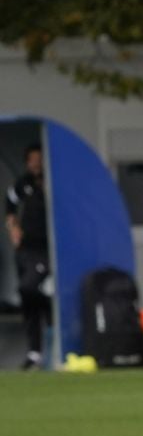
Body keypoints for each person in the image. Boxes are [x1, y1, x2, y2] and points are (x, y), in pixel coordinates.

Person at [5, 144, 50, 370]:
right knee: (26, 296)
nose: (36, 163)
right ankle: (34, 350)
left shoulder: (52, 181)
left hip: (45, 249)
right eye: (32, 159)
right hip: (25, 249)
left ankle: (50, 334)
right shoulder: (23, 184)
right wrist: (13, 228)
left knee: (30, 287)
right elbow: (9, 206)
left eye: (39, 158)